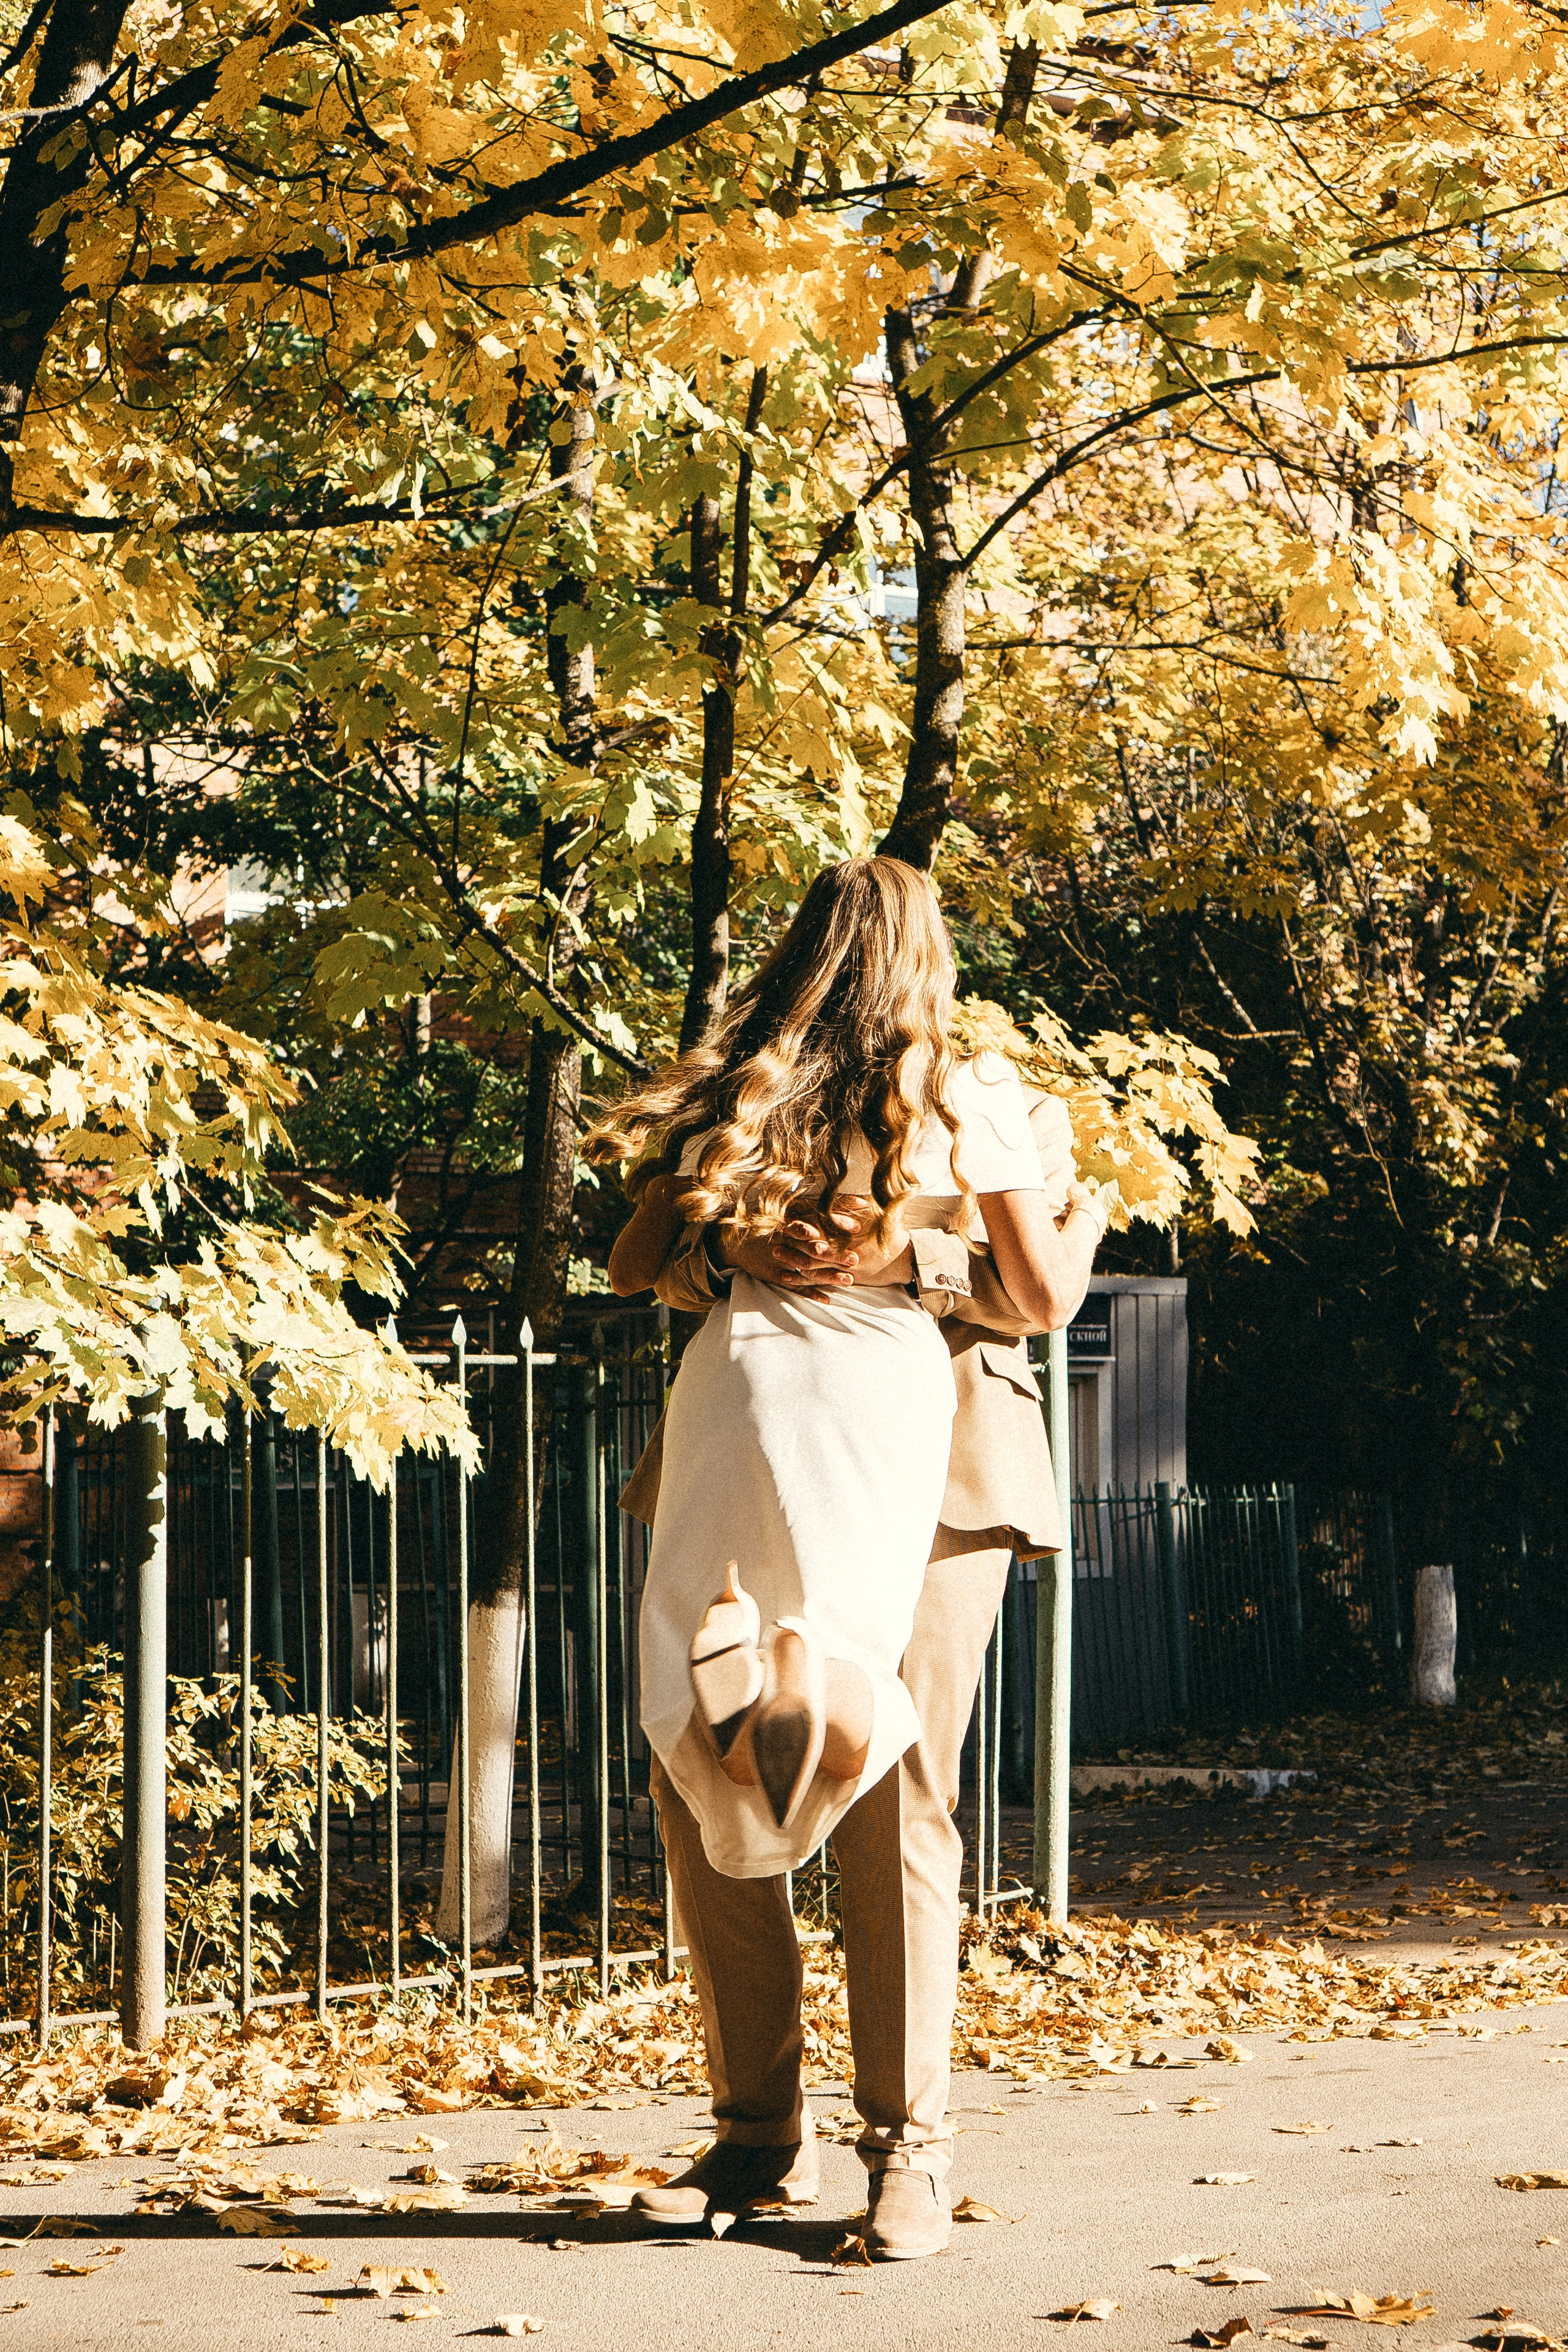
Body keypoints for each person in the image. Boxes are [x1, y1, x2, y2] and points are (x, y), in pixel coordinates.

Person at [588, 857, 1106, 2257]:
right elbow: (649, 1261)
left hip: (943, 1471)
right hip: (754, 1452)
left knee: (892, 1798)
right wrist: (745, 1234)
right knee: (711, 1771)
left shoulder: (998, 1095)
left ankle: (908, 2152)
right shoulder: (739, 1094)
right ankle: (757, 2134)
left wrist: (895, 1262)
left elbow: (1045, 1278)